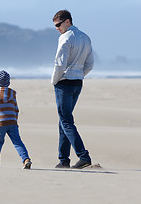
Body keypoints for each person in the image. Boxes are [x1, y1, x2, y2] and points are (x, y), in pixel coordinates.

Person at [51, 10, 94, 169]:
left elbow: (60, 64)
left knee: (66, 121)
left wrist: (54, 81)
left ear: (67, 21)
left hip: (64, 82)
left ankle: (83, 156)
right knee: (64, 120)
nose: (57, 28)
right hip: (77, 82)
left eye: (58, 25)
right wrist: (79, 75)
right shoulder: (85, 37)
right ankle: (63, 160)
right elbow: (90, 64)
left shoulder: (65, 38)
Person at [0, 70, 32, 169]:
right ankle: (26, 159)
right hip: (12, 122)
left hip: (0, 123)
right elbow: (16, 109)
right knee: (17, 142)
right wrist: (15, 119)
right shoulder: (13, 93)